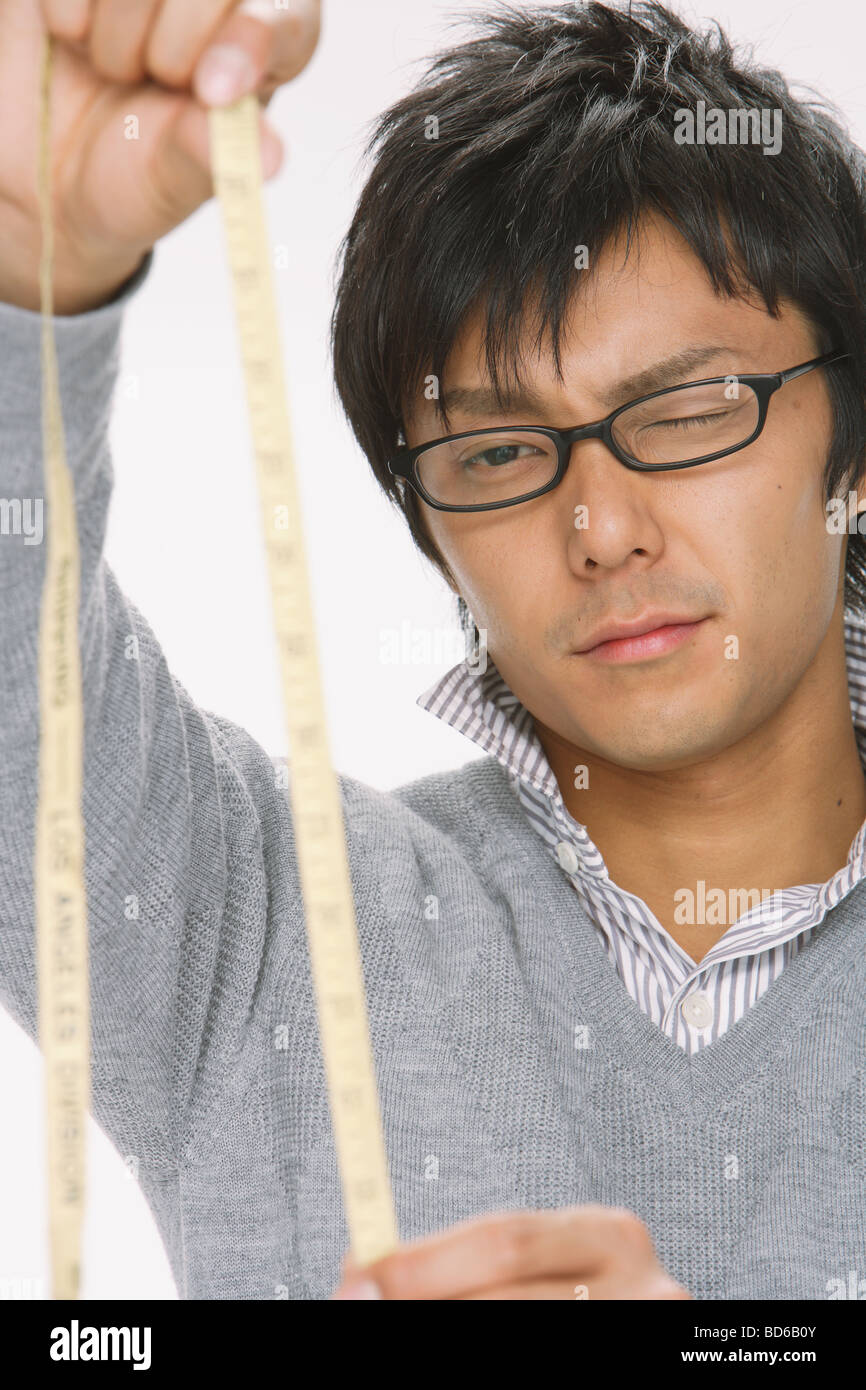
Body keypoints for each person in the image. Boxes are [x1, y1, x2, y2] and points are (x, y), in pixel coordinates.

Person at [1, 0, 864, 1302]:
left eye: (685, 410)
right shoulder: (263, 929)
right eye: (502, 453)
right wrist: (25, 272)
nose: (601, 529)